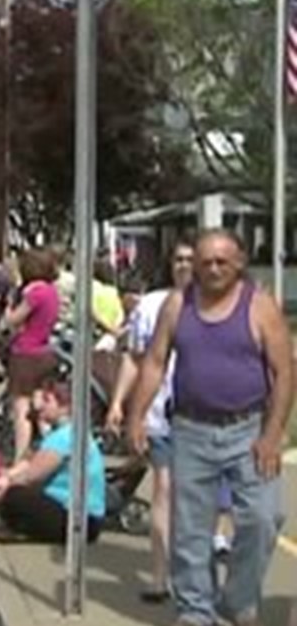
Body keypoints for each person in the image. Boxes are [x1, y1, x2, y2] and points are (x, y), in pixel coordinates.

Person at [127, 229, 295, 626]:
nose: (213, 269)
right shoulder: (177, 305)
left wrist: (273, 434)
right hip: (191, 428)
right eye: (205, 262)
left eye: (222, 262)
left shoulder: (259, 307)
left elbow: (285, 371)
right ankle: (195, 609)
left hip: (249, 428)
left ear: (239, 264)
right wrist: (135, 416)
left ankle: (241, 605)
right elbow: (153, 362)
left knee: (262, 517)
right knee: (191, 526)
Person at [107, 240, 196, 604]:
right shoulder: (152, 305)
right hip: (163, 411)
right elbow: (136, 358)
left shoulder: (223, 304)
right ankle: (160, 576)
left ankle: (194, 576)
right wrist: (121, 404)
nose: (185, 266)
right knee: (165, 488)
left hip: (208, 416)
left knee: (198, 500)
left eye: (192, 259)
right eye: (178, 259)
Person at [0, 378, 104, 544]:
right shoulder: (67, 432)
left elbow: (32, 476)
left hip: (78, 519)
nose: (40, 406)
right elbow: (30, 461)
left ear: (65, 408)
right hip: (83, 518)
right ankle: (13, 524)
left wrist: (5, 486)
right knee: (12, 491)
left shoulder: (64, 437)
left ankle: (19, 527)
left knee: (14, 495)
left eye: (47, 400)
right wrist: (6, 476)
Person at [0, 248, 61, 462]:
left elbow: (13, 320)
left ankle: (20, 456)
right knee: (40, 406)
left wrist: (7, 311)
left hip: (25, 354)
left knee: (22, 409)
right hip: (46, 352)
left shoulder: (34, 293)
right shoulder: (52, 291)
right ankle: (50, 451)